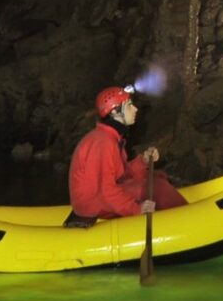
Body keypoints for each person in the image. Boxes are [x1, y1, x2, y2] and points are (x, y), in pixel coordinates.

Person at [65, 86, 186, 227]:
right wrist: (136, 209)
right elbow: (106, 192)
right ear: (115, 112)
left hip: (100, 196)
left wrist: (143, 161)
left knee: (158, 176)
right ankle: (187, 221)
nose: (135, 109)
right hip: (93, 204)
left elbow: (122, 175)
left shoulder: (111, 137)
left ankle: (168, 217)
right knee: (157, 187)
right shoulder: (103, 142)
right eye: (129, 106)